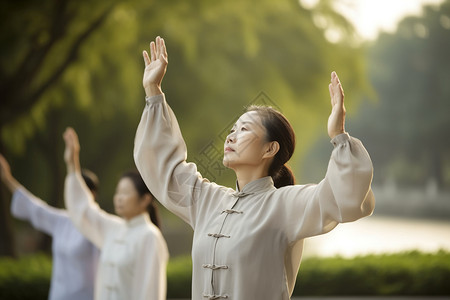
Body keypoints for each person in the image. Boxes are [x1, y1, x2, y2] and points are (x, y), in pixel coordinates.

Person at [134, 36, 375, 299]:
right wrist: (153, 92)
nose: (230, 136)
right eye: (233, 129)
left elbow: (344, 199)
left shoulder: (285, 205)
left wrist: (339, 136)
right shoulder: (207, 200)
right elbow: (163, 169)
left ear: (269, 149)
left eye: (244, 129)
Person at [63, 127, 169, 300]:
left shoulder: (150, 236)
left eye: (126, 193)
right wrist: (72, 163)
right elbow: (85, 210)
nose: (119, 198)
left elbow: (151, 292)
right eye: (118, 192)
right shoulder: (113, 228)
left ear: (145, 200)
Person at [0, 154, 99, 300]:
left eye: (80, 190)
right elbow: (35, 208)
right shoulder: (62, 221)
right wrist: (7, 178)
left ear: (92, 194)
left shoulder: (100, 224)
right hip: (59, 295)